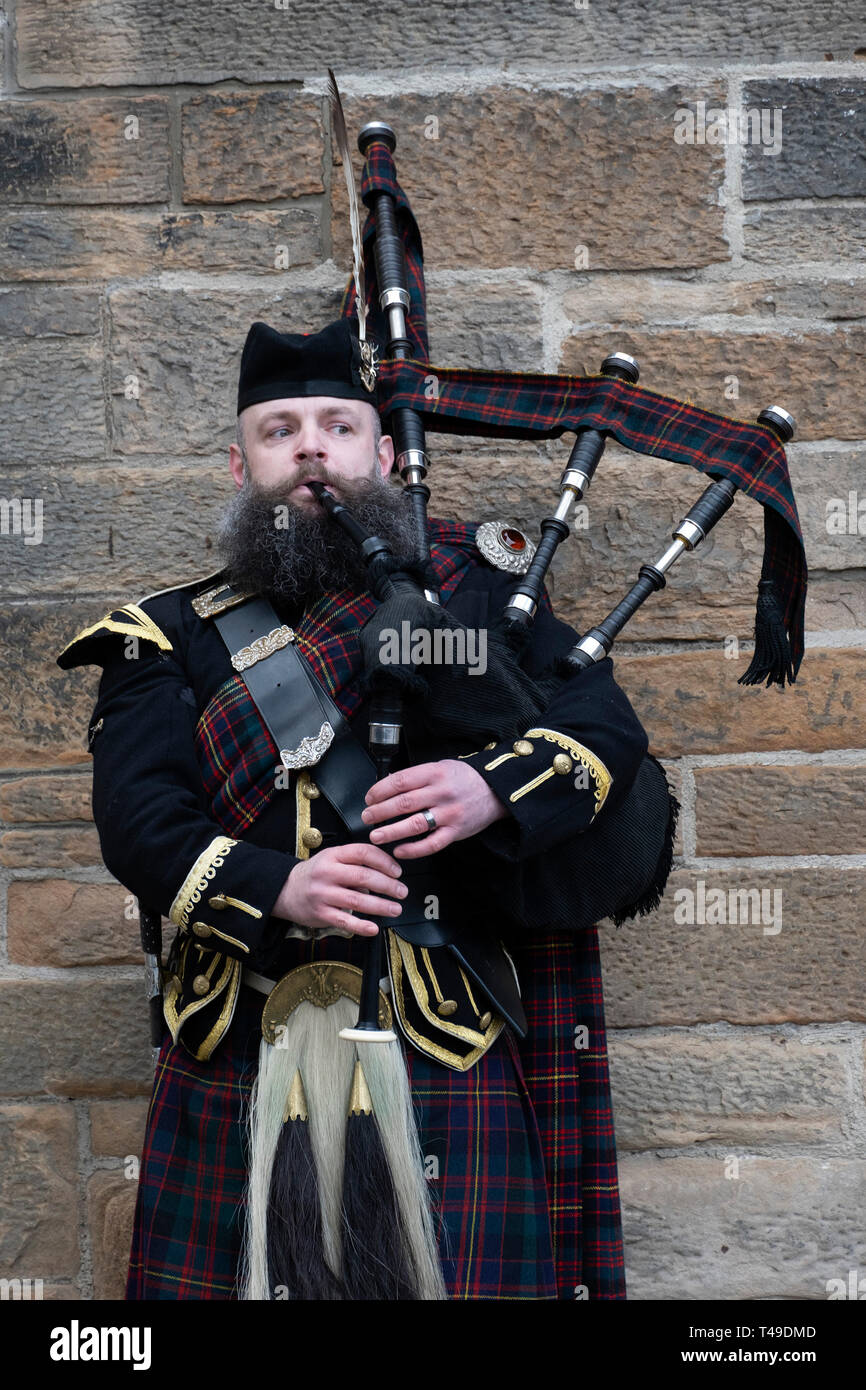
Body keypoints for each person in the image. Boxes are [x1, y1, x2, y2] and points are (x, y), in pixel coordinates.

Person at [57, 316, 652, 1300]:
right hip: (241, 1036)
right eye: (277, 428)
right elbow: (140, 819)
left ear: (380, 452)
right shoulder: (162, 636)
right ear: (239, 462)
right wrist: (276, 886)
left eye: (335, 425)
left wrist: (488, 787)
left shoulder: (471, 601)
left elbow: (604, 729)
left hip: (435, 1029)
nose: (308, 448)